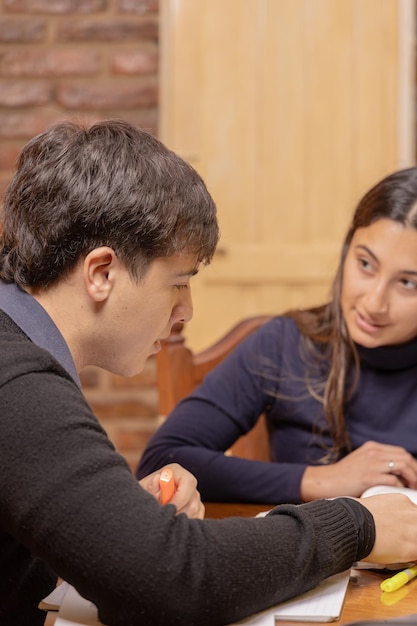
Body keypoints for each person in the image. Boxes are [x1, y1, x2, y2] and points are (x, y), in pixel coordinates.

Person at [2, 123, 417, 626]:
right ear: (102, 273)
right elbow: (168, 580)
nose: (187, 312)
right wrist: (359, 522)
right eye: (178, 284)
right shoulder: (20, 386)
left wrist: (117, 517)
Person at [137, 166, 417, 505]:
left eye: (407, 283)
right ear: (347, 251)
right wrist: (320, 480)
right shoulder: (284, 345)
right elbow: (161, 462)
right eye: (365, 265)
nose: (374, 303)